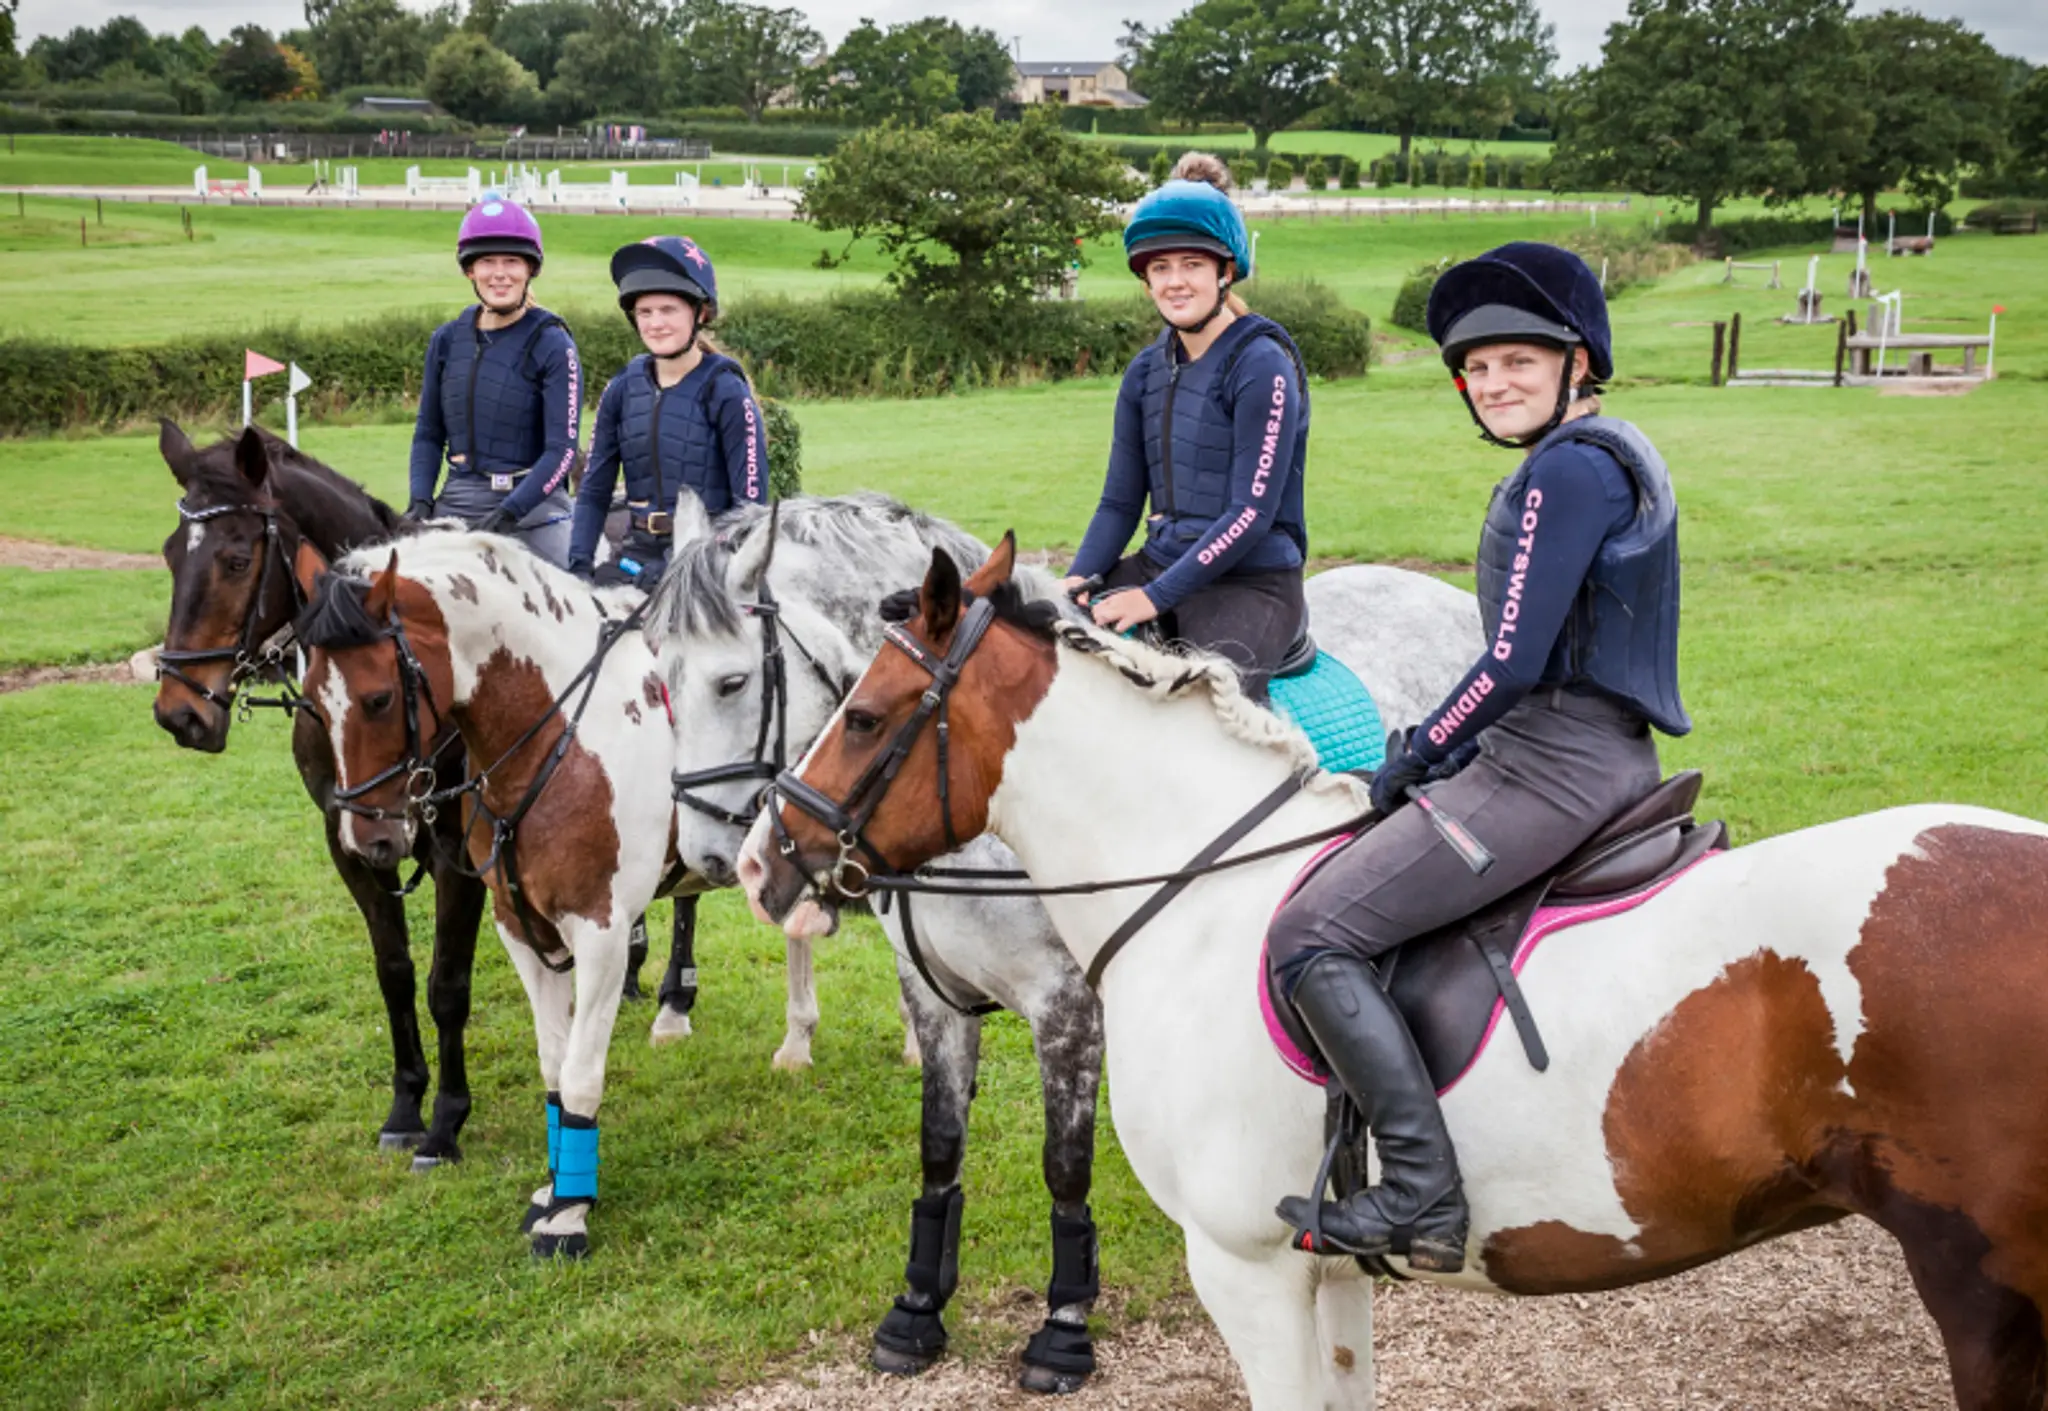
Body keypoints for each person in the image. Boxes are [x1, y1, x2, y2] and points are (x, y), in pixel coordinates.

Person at [1267, 242, 1690, 1273]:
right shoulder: (1600, 454)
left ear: (1575, 363)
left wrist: (1419, 749)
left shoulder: (1568, 470)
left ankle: (1419, 1190)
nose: (1494, 383)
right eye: (1477, 368)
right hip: (1571, 750)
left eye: (1517, 362)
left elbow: (1508, 660)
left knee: (1311, 931)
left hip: (1551, 765)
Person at [1061, 154, 1310, 702]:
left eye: (1192, 264)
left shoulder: (1262, 364)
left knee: (1206, 709)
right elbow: (1119, 504)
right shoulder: (1144, 372)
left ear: (1225, 272)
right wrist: (1077, 580)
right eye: (1160, 268)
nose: (1175, 282)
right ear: (1146, 279)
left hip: (1251, 583)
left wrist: (1152, 598)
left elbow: (1250, 515)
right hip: (1159, 562)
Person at [567, 235, 769, 586]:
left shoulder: (726, 391)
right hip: (636, 556)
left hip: (708, 559)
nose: (655, 323)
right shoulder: (621, 388)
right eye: (645, 312)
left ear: (700, 312)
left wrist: (686, 566)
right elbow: (594, 491)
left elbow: (750, 510)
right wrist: (579, 565)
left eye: (668, 310)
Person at [406, 196, 581, 567]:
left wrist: (510, 512)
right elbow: (428, 434)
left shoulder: (553, 343)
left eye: (511, 261)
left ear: (530, 269)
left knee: (578, 584)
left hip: (535, 508)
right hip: (457, 500)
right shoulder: (446, 340)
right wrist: (420, 500)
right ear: (470, 270)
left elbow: (562, 451)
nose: (499, 273)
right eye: (487, 261)